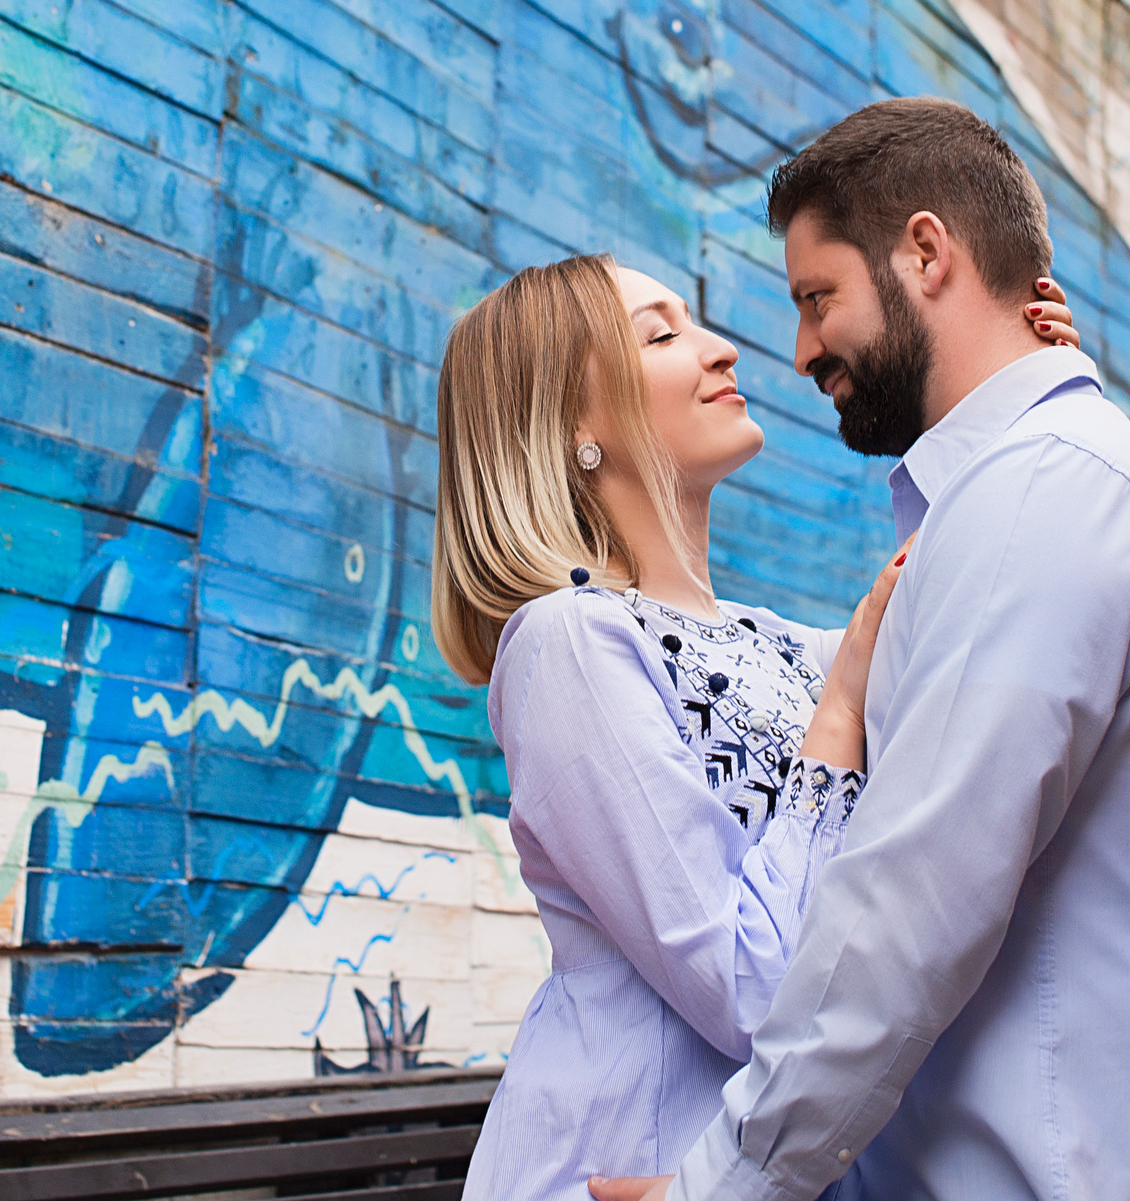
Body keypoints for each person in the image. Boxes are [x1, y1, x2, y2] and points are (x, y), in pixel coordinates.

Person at [590, 96, 1130, 1201]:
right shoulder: (1038, 487)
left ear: (927, 253)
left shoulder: (1045, 488)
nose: (801, 350)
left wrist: (721, 1188)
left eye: (818, 298)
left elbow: (908, 905)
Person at [433, 250, 1079, 1201]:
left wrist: (1022, 390)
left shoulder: (789, 648)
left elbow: (980, 603)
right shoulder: (569, 641)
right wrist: (840, 716)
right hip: (619, 1170)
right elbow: (755, 990)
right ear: (572, 423)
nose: (721, 348)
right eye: (661, 334)